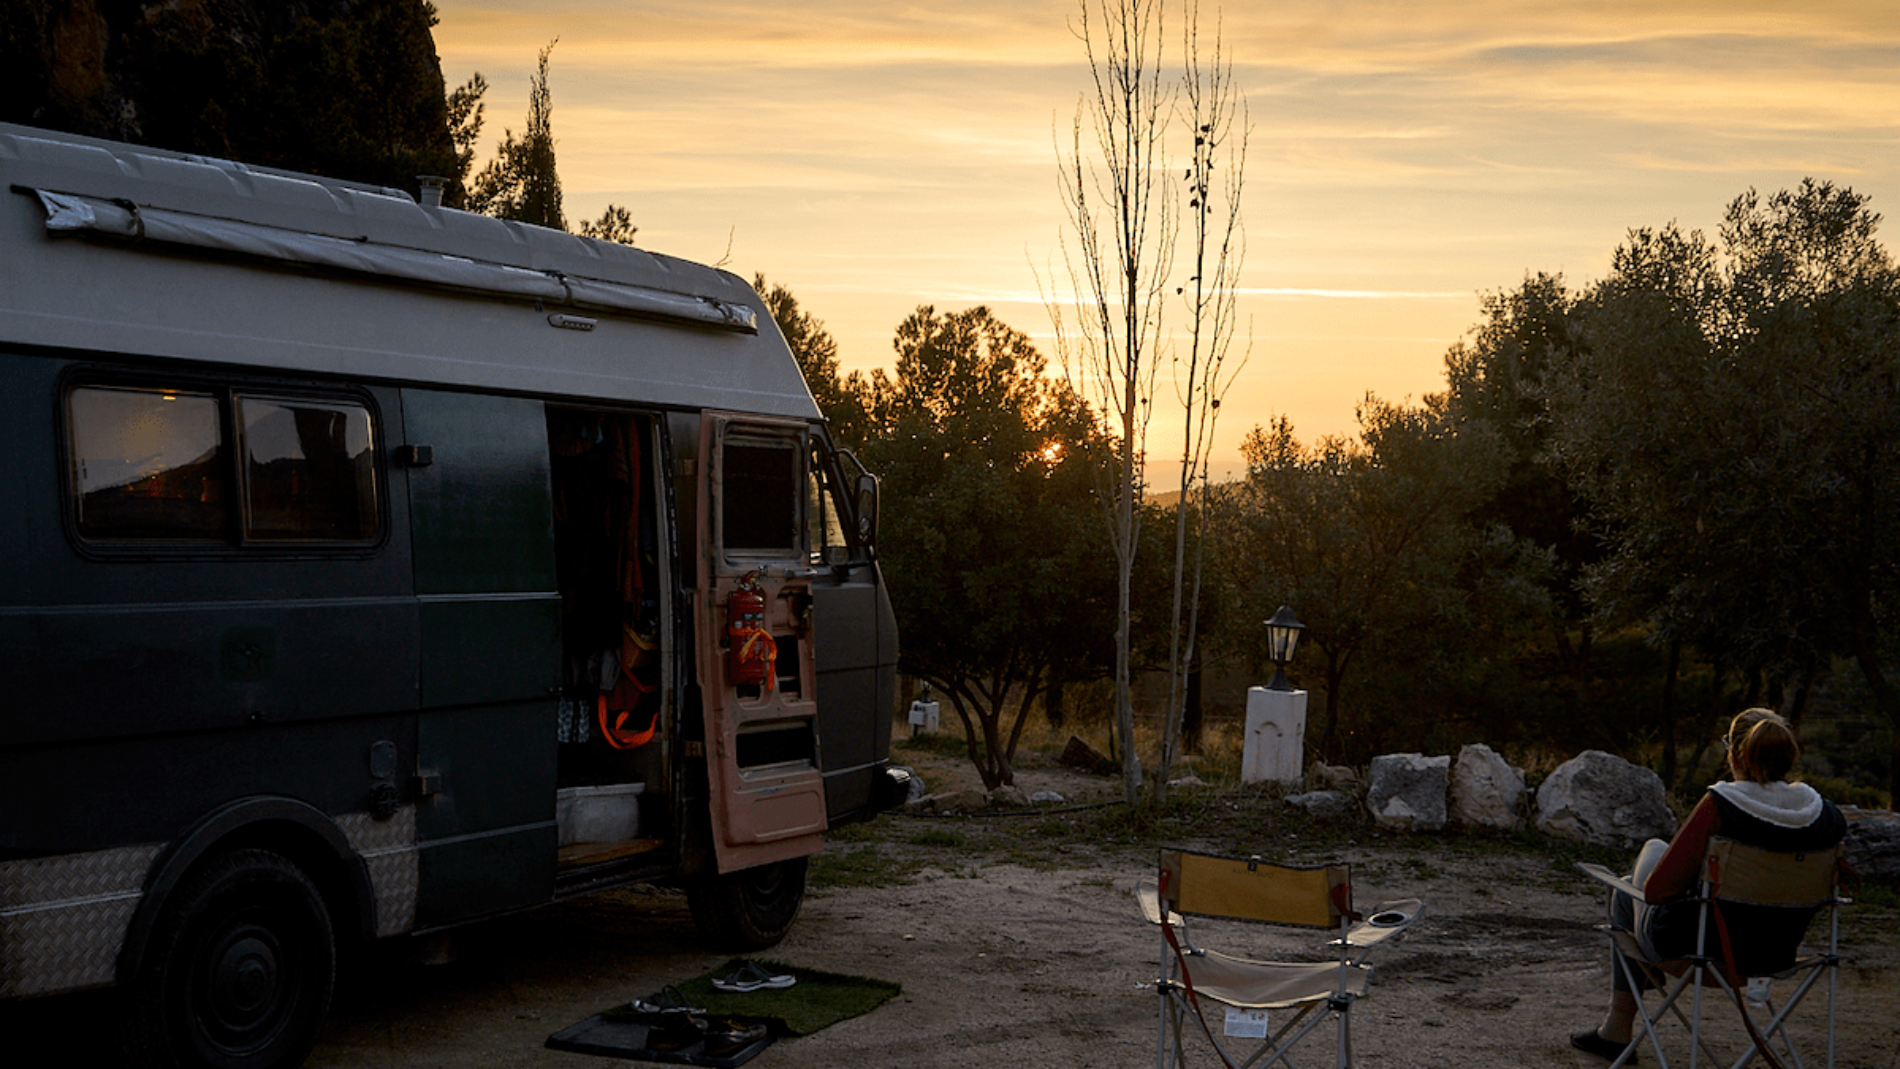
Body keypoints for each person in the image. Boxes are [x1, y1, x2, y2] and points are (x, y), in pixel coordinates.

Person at [1569, 708, 1847, 1061]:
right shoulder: (1826, 815)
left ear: (1736, 754)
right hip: (1773, 956)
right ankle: (1615, 1028)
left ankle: (1617, 1030)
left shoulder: (1721, 805)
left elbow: (1657, 892)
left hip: (1694, 951)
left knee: (1640, 871)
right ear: (1788, 756)